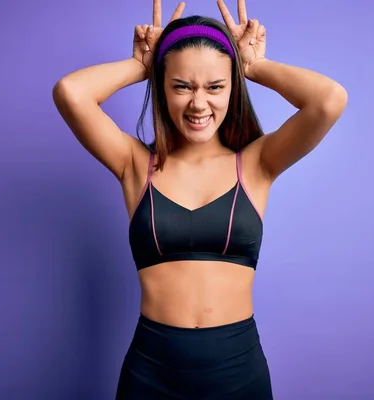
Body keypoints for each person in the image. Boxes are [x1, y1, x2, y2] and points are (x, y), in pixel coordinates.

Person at [52, 0, 347, 397]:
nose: (198, 103)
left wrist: (254, 66)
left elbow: (328, 100)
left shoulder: (258, 163)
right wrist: (142, 64)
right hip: (149, 374)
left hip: (238, 372)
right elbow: (71, 93)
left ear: (232, 87)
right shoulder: (135, 164)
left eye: (215, 86)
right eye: (182, 85)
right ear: (163, 86)